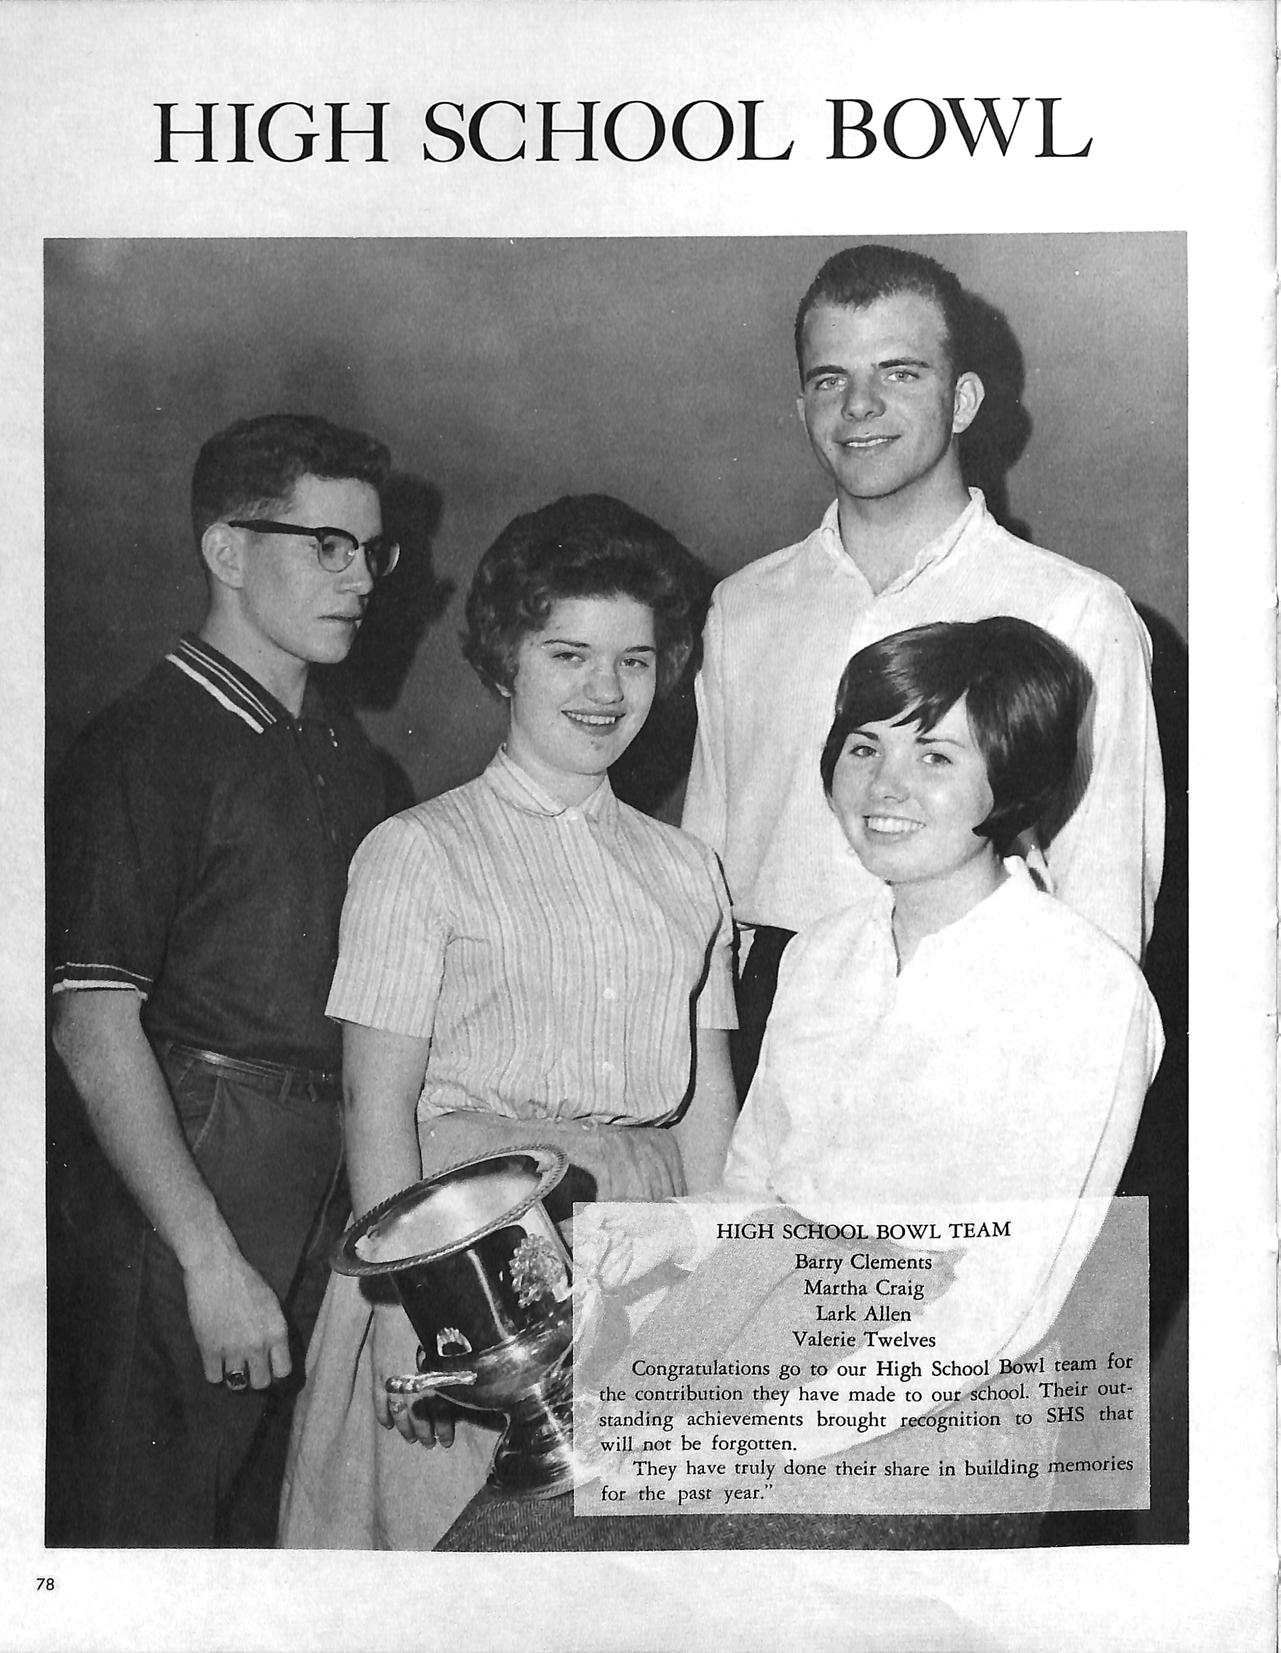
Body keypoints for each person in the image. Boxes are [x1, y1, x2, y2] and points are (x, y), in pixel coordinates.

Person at [433, 618, 1162, 1553]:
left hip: (946, 1390)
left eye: (935, 755)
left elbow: (1000, 1304)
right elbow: (767, 1195)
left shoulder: (1085, 987)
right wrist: (669, 1230)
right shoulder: (821, 955)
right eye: (863, 747)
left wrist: (755, 1437)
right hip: (750, 1310)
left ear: (1010, 776)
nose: (884, 785)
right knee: (508, 1551)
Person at [278, 493, 739, 1550]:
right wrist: (420, 1319)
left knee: (614, 1571)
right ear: (504, 663)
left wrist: (717, 1282)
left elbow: (706, 1102)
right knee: (461, 1563)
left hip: (642, 1240)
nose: (605, 690)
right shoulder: (417, 850)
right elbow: (374, 1101)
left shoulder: (689, 869)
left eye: (634, 660)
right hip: (463, 1254)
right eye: (568, 654)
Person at [680, 243, 1165, 1093]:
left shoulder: (1074, 611)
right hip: (770, 1024)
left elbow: (1103, 912)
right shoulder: (744, 609)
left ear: (963, 399)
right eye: (829, 379)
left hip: (979, 1023)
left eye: (899, 372)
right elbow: (703, 885)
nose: (858, 405)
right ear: (801, 406)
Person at [47, 412, 397, 1547]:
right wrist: (205, 1257)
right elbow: (93, 1030)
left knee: (267, 1535)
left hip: (323, 1173)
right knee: (142, 1532)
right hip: (194, 1166)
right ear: (227, 550)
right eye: (327, 545)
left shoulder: (351, 759)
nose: (361, 579)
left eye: (371, 550)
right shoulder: (140, 745)